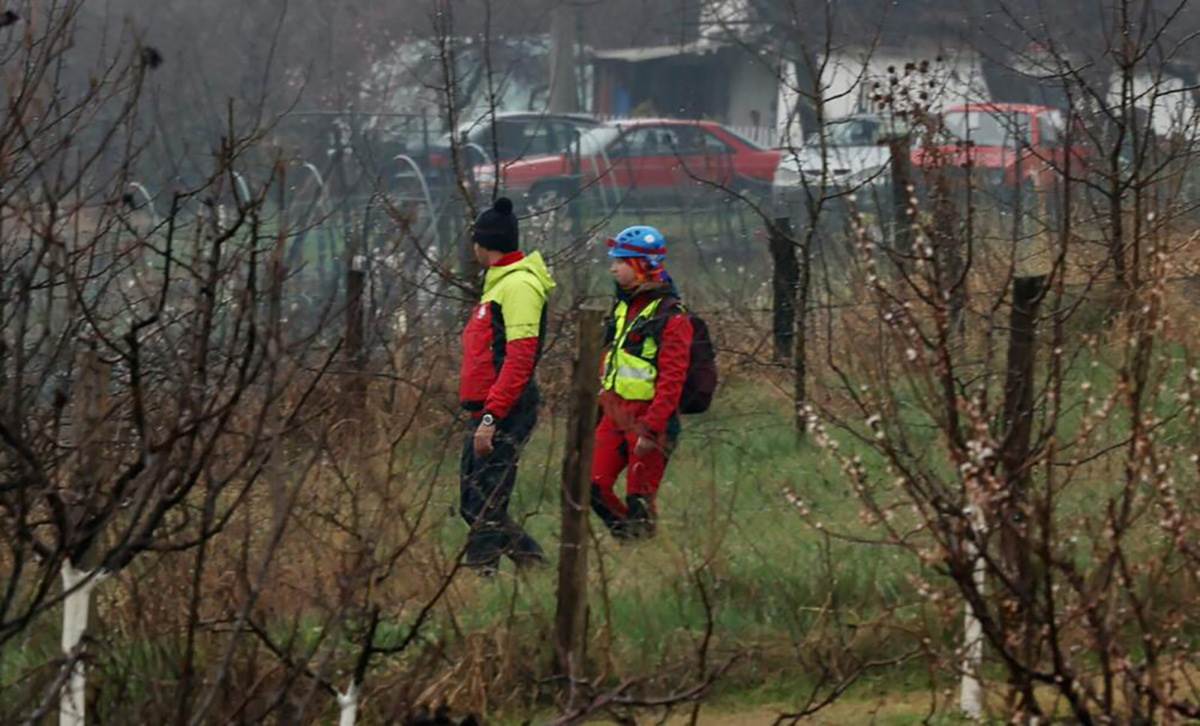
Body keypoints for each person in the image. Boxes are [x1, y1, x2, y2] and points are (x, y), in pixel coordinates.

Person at [458, 197, 556, 573]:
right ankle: (534, 565)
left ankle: (482, 579)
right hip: (488, 407)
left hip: (505, 408)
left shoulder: (518, 287)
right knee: (473, 501)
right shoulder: (498, 283)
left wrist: (492, 418)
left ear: (484, 244)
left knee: (485, 502)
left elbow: (519, 359)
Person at [590, 225, 693, 540]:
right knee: (591, 485)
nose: (613, 267)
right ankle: (630, 543)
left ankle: (643, 552)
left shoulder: (672, 316)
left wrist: (651, 428)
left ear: (641, 266)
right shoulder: (623, 305)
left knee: (640, 500)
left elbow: (672, 381)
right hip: (614, 413)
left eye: (620, 261)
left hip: (649, 419)